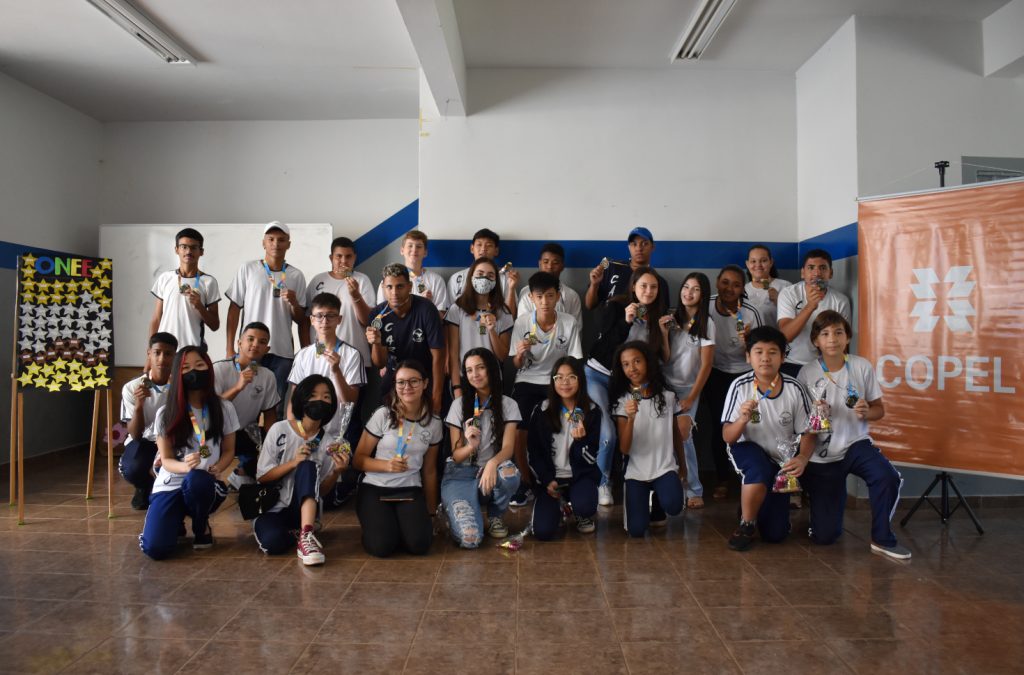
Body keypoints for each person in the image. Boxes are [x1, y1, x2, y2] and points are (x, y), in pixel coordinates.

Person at [798, 311, 910, 560]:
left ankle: (882, 538)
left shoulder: (860, 365)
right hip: (822, 455)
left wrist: (867, 412)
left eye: (838, 332)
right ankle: (818, 518)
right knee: (825, 537)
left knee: (887, 477)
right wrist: (817, 415)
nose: (832, 339)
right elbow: (801, 421)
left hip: (855, 444)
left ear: (847, 336)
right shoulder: (806, 373)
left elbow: (879, 410)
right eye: (825, 334)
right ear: (816, 340)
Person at [721, 326, 815, 552]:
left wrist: (802, 457)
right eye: (758, 352)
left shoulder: (795, 388)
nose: (765, 358)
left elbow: (807, 432)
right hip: (746, 449)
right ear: (748, 356)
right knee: (758, 469)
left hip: (780, 458)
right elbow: (728, 437)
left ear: (783, 357)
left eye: (772, 352)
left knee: (775, 535)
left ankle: (752, 503)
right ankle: (746, 524)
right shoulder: (739, 386)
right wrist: (742, 419)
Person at [140, 346, 238, 559]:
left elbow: (229, 450)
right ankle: (173, 521)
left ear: (209, 368)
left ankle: (200, 523)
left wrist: (219, 467)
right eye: (186, 368)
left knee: (197, 481)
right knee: (155, 549)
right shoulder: (166, 413)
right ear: (177, 375)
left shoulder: (224, 408)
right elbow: (165, 459)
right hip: (171, 483)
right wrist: (185, 466)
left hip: (204, 483)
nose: (194, 371)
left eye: (200, 365)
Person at [585, 266, 669, 506]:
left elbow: (657, 359)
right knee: (608, 434)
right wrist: (626, 321)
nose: (649, 291)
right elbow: (604, 348)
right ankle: (602, 483)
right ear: (633, 286)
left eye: (653, 287)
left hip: (627, 383)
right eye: (643, 285)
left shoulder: (656, 317)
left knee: (636, 430)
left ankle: (641, 481)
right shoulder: (615, 306)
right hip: (597, 375)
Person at [253, 375, 349, 565]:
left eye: (326, 397)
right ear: (302, 399)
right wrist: (292, 463)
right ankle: (298, 534)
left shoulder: (330, 444)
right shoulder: (279, 430)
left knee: (308, 465)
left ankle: (306, 534)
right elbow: (262, 477)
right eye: (313, 395)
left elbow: (320, 492)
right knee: (273, 543)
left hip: (302, 511)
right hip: (272, 508)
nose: (319, 401)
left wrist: (337, 472)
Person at [353, 360, 442, 557]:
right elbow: (358, 460)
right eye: (400, 382)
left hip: (409, 489)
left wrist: (431, 512)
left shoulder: (434, 423)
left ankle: (398, 526)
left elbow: (429, 470)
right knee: (381, 547)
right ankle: (381, 526)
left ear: (425, 383)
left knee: (420, 545)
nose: (407, 387)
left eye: (413, 381)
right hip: (375, 488)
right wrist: (386, 465)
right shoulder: (383, 415)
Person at [509, 271, 583, 507]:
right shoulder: (522, 323)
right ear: (531, 298)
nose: (544, 302)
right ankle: (524, 481)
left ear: (558, 296)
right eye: (539, 297)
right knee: (518, 428)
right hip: (527, 379)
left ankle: (569, 481)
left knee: (569, 422)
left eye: (549, 296)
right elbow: (516, 364)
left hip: (558, 381)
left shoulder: (568, 322)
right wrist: (520, 354)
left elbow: (574, 362)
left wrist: (564, 381)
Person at [442, 348, 522, 547]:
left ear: (492, 370)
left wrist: (492, 463)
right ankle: (456, 511)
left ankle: (495, 515)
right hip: (460, 474)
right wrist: (470, 446)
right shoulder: (458, 405)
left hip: (489, 473)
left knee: (510, 473)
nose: (474, 374)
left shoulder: (509, 404)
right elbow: (457, 456)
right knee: (471, 539)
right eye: (469, 370)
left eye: (480, 368)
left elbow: (509, 448)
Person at [225, 221, 308, 409]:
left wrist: (294, 303)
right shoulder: (248, 269)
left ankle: (270, 439)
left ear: (289, 244)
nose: (276, 244)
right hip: (250, 350)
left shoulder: (296, 275)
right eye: (271, 239)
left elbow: (301, 319)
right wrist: (230, 348)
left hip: (282, 352)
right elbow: (234, 309)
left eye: (281, 240)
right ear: (263, 243)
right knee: (244, 403)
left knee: (276, 408)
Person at [610, 341, 686, 537]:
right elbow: (625, 449)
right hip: (635, 472)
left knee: (675, 506)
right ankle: (647, 502)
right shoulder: (621, 402)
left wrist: (683, 466)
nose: (632, 368)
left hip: (664, 468)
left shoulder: (668, 397)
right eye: (626, 364)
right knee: (637, 531)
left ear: (648, 362)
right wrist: (631, 419)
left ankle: (660, 502)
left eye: (637, 361)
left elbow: (676, 434)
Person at [705, 265, 763, 500]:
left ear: (743, 288)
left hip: (744, 374)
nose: (730, 288)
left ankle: (751, 475)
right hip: (714, 372)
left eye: (736, 284)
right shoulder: (705, 305)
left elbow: (761, 347)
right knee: (720, 427)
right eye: (725, 282)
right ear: (717, 282)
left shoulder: (750, 312)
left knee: (749, 425)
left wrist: (749, 340)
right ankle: (722, 478)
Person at [527, 357, 601, 539]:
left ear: (580, 380)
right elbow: (533, 452)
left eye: (571, 377)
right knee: (543, 532)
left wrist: (581, 442)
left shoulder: (592, 411)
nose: (565, 382)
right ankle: (559, 509)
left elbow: (593, 458)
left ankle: (582, 514)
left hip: (580, 477)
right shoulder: (541, 410)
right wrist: (546, 480)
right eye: (559, 377)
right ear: (553, 381)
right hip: (552, 480)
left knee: (584, 505)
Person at [659, 273, 715, 509]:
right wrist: (663, 334)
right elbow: (666, 357)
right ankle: (670, 485)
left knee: (683, 433)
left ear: (702, 295)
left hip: (689, 389)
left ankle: (693, 487)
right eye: (685, 287)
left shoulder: (706, 323)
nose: (688, 293)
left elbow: (706, 364)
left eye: (695, 289)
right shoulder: (671, 318)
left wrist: (692, 397)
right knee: (663, 437)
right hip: (664, 386)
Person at [304, 236, 375, 400]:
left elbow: (367, 320)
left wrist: (355, 294)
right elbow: (306, 319)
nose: (344, 261)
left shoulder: (362, 280)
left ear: (355, 258)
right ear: (331, 258)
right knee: (320, 405)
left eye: (348, 256)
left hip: (356, 355)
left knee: (351, 413)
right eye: (339, 256)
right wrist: (306, 348)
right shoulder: (318, 280)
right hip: (321, 357)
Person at [367, 263, 445, 411]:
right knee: (386, 420)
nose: (394, 292)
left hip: (424, 375)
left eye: (400, 286)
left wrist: (437, 396)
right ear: (383, 288)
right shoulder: (377, 314)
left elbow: (439, 356)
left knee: (427, 425)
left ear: (409, 287)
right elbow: (379, 362)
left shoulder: (426, 309)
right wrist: (377, 343)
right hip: (394, 375)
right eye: (389, 287)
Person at [213, 322, 280, 489]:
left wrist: (273, 446)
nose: (255, 344)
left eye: (262, 342)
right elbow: (210, 408)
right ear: (239, 343)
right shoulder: (219, 369)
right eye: (250, 339)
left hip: (243, 432)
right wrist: (238, 387)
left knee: (261, 469)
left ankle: (241, 472)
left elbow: (270, 415)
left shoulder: (267, 376)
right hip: (215, 431)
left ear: (267, 349)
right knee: (207, 469)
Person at [119, 332, 178, 510]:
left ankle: (169, 492)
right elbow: (135, 434)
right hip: (144, 440)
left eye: (168, 354)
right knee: (133, 468)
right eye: (157, 352)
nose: (162, 359)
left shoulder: (180, 385)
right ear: (149, 354)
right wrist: (138, 406)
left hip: (173, 440)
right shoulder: (132, 387)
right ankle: (144, 486)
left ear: (175, 356)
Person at [777, 248, 852, 378]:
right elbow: (785, 336)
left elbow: (844, 342)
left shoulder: (840, 300)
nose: (817, 273)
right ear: (802, 273)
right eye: (811, 268)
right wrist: (810, 306)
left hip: (825, 366)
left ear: (831, 273)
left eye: (823, 268)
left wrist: (843, 372)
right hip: (791, 364)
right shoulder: (789, 293)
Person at [446, 257, 513, 393]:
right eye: (480, 274)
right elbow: (453, 353)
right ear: (471, 277)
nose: (484, 279)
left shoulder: (503, 312)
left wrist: (492, 330)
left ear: (496, 281)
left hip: (492, 380)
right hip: (464, 379)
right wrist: (457, 387)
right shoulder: (457, 309)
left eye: (490, 275)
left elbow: (502, 356)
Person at [148, 228, 220, 349]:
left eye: (193, 247)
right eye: (184, 247)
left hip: (192, 350)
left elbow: (215, 325)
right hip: (165, 349)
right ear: (176, 249)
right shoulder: (165, 278)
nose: (188, 251)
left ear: (201, 251)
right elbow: (156, 318)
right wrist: (151, 351)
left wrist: (200, 307)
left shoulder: (209, 282)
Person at [584, 226, 669, 310]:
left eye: (644, 243)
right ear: (629, 247)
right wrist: (594, 284)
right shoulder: (611, 267)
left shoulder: (658, 282)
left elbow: (659, 316)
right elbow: (589, 305)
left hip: (638, 323)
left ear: (652, 247)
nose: (639, 248)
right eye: (634, 244)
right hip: (607, 322)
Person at [447, 228, 519, 314]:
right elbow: (449, 315)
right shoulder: (456, 278)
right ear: (472, 248)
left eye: (489, 245)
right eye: (479, 244)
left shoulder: (506, 279)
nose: (483, 249)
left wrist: (511, 288)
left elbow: (511, 316)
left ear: (496, 251)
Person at [376, 229, 450, 313]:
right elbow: (381, 313)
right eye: (410, 245)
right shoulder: (388, 280)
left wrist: (428, 306)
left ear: (425, 252)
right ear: (402, 250)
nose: (414, 250)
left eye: (418, 246)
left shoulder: (436, 280)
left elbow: (441, 317)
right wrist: (421, 304)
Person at [516, 243, 583, 324]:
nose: (550, 266)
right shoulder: (526, 292)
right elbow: (522, 325)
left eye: (555, 263)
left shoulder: (572, 296)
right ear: (540, 264)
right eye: (546, 262)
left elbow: (576, 329)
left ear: (562, 266)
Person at [744, 244, 791, 329]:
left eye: (763, 260)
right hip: (751, 340)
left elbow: (796, 319)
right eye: (753, 261)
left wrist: (779, 301)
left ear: (771, 262)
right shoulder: (743, 290)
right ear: (747, 264)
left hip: (777, 339)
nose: (758, 265)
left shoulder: (785, 287)